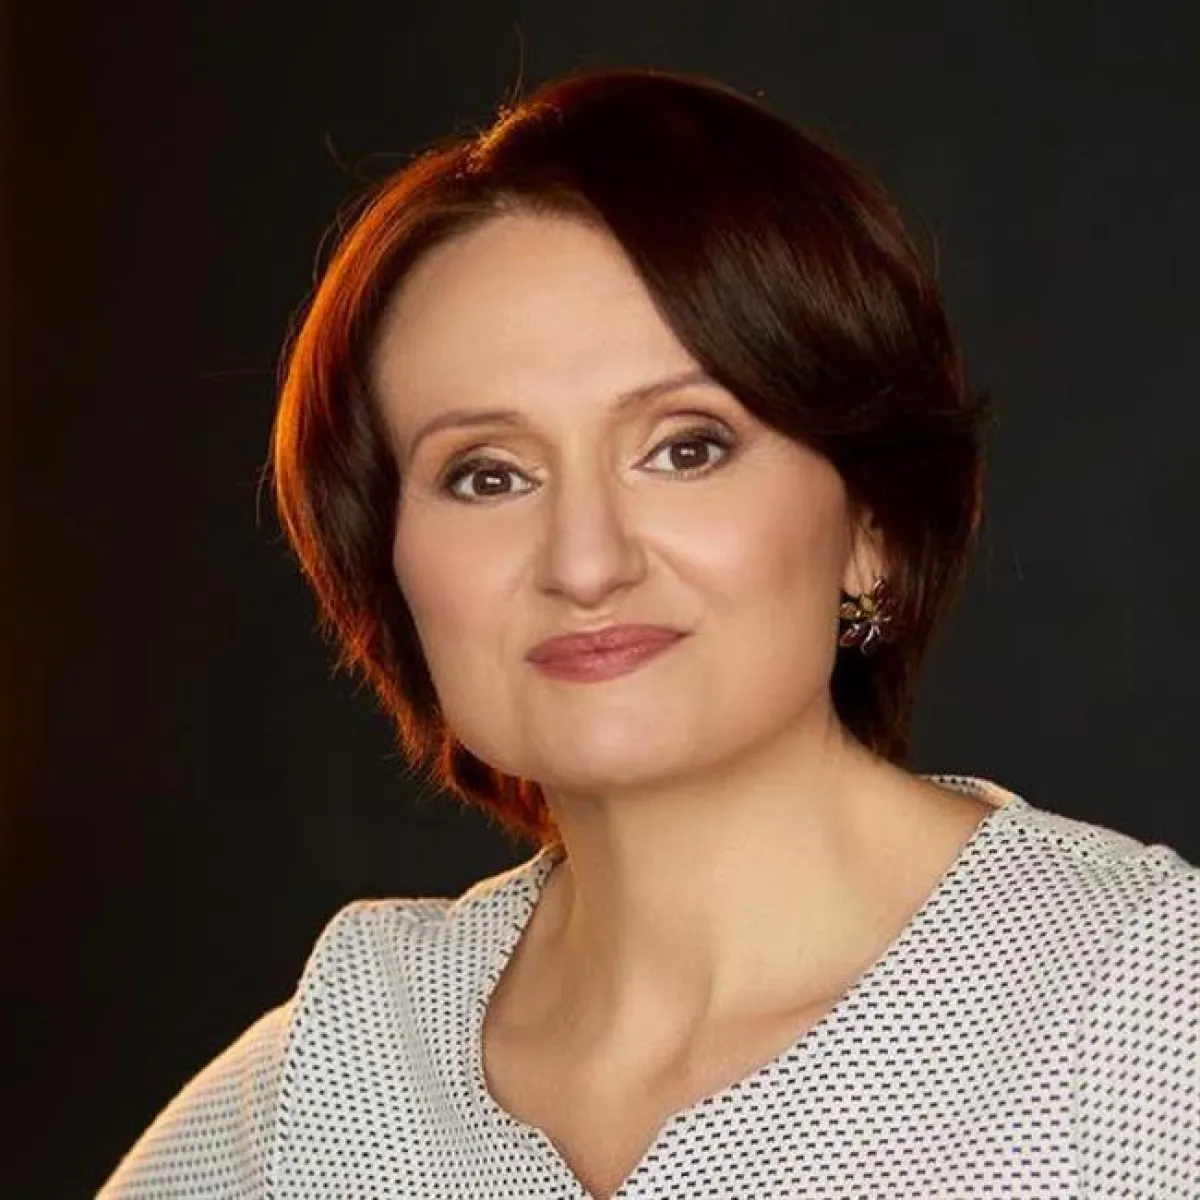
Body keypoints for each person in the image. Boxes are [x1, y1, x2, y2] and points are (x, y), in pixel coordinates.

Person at [97, 67, 1199, 1199]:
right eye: (487, 475)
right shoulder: (337, 1075)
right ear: (387, 562)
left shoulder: (1149, 1009)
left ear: (871, 523)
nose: (586, 563)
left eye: (686, 448)